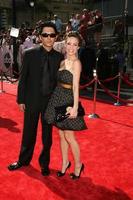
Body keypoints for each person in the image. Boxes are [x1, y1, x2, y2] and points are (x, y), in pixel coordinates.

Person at [8, 22, 64, 176]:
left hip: (49, 103)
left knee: (47, 137)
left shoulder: (60, 57)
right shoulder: (29, 54)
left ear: (56, 37)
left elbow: (60, 82)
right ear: (40, 37)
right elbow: (23, 79)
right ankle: (23, 160)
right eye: (45, 35)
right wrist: (20, 100)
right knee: (28, 133)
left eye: (52, 35)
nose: (49, 38)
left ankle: (44, 164)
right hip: (32, 100)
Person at [45, 31, 87, 180]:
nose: (71, 47)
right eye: (69, 43)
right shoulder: (62, 62)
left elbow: (75, 87)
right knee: (61, 135)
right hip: (58, 99)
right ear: (65, 44)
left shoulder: (77, 63)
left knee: (70, 136)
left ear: (78, 47)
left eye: (75, 45)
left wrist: (75, 107)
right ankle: (65, 163)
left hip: (68, 102)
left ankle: (78, 165)